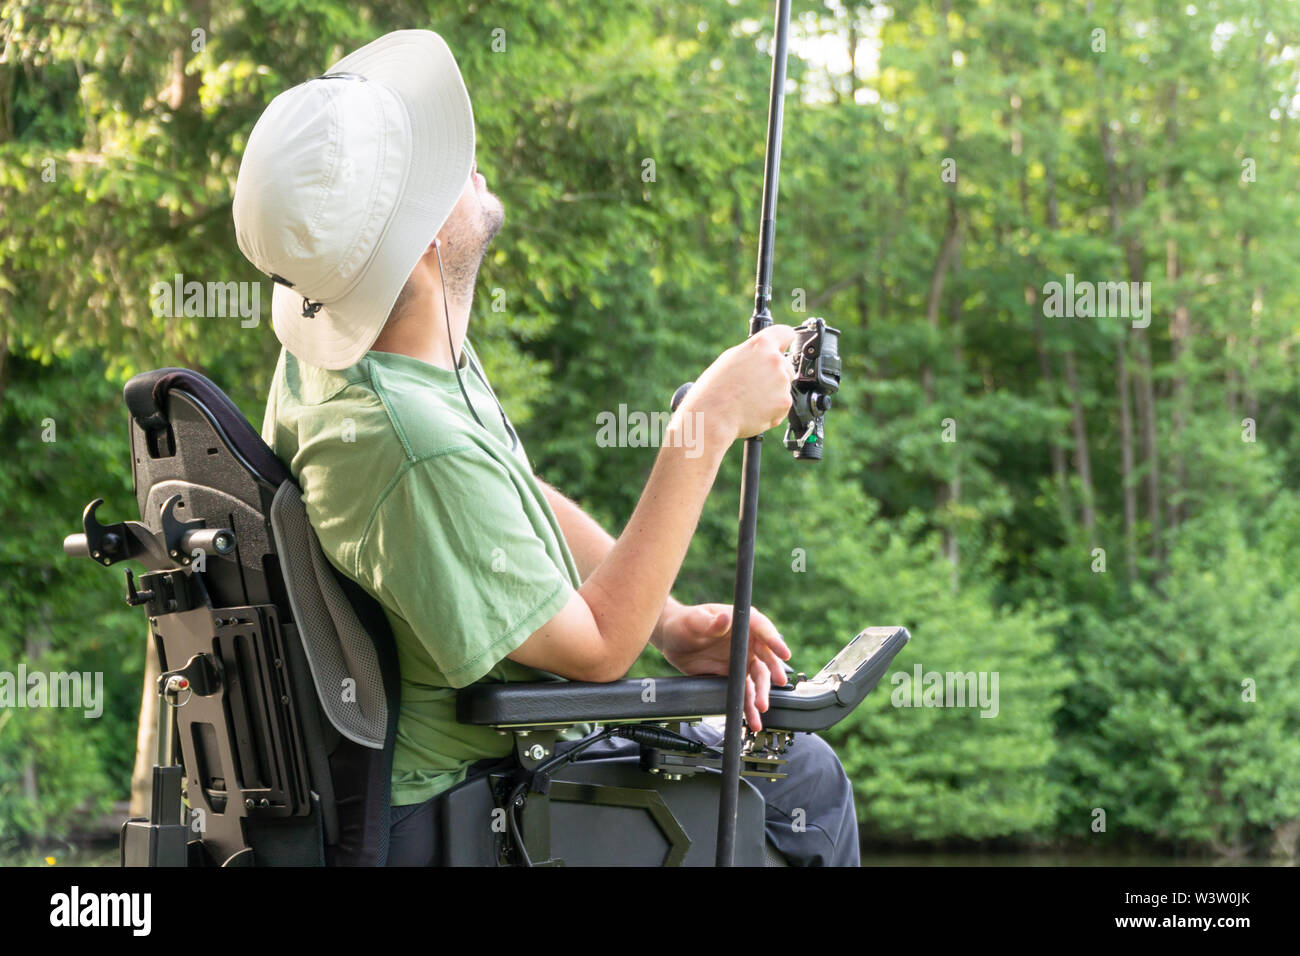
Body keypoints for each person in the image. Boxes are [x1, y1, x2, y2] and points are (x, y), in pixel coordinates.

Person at [233, 28, 859, 866]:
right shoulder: (413, 446)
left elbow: (506, 499)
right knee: (806, 781)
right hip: (469, 807)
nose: (469, 160)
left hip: (471, 779)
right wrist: (704, 427)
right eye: (439, 168)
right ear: (421, 244)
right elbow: (598, 650)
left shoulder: (361, 361)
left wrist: (668, 620)